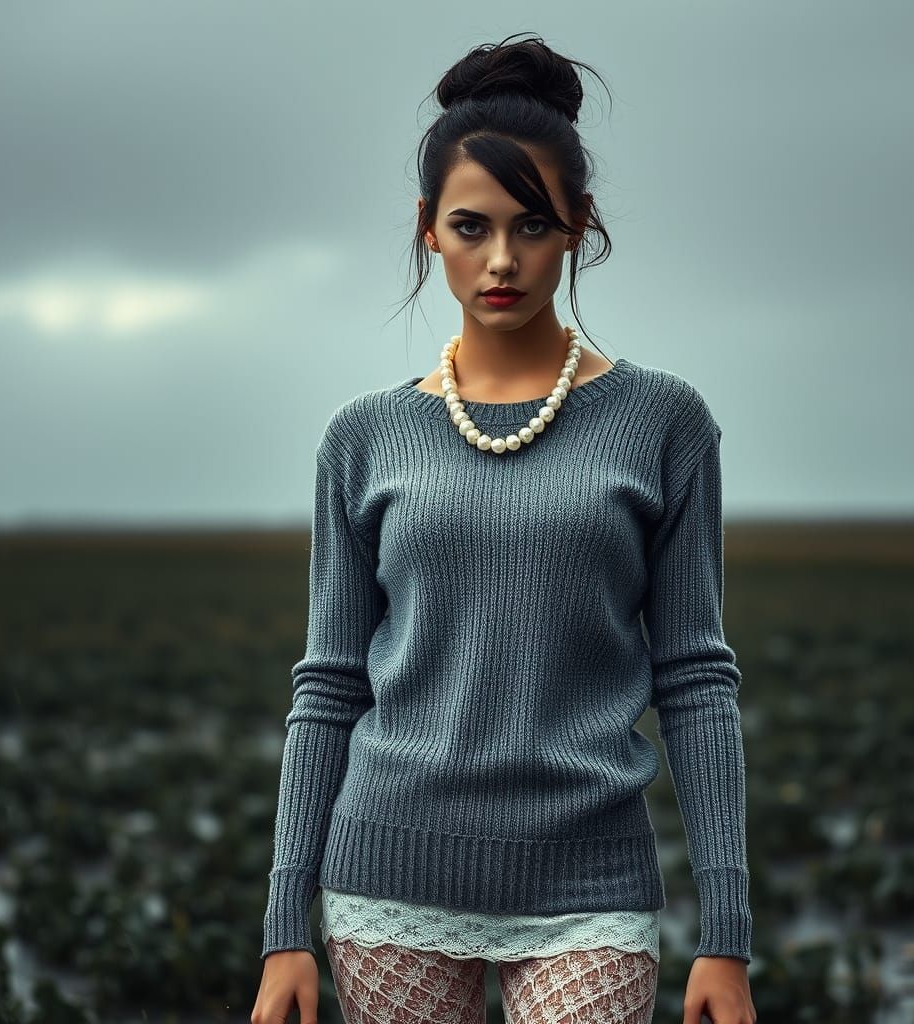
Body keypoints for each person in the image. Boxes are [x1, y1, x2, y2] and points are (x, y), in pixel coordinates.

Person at [251, 32, 757, 1024]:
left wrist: (727, 936)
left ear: (578, 227)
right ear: (428, 230)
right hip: (387, 880)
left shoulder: (664, 422)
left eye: (532, 225)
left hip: (591, 889)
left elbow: (695, 679)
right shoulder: (363, 437)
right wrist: (283, 929)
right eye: (470, 226)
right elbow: (329, 682)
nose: (500, 260)